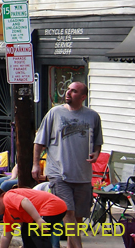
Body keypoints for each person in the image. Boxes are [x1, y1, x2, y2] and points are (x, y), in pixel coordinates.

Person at [32, 81, 102, 248]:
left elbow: (98, 143)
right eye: (68, 89)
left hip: (83, 175)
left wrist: (96, 153)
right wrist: (35, 164)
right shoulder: (55, 113)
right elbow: (39, 142)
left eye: (74, 91)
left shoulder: (92, 116)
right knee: (67, 213)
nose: (68, 92)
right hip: (59, 173)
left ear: (83, 97)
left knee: (77, 218)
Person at [0, 186, 68, 248]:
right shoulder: (8, 215)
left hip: (53, 206)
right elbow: (6, 236)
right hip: (48, 209)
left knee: (36, 233)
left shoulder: (8, 197)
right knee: (26, 231)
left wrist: (38, 219)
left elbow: (24, 201)